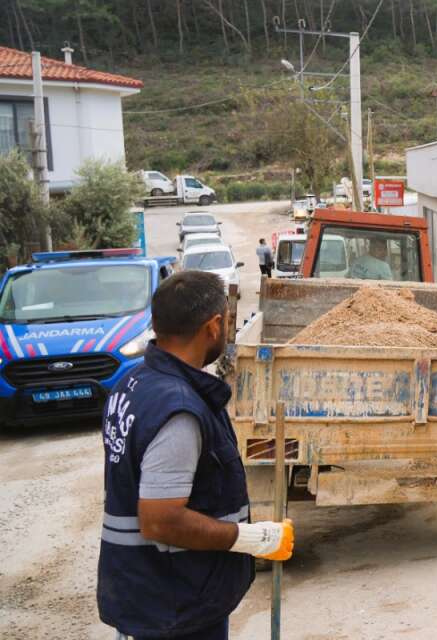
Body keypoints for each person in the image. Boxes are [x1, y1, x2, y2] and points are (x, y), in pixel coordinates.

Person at [98, 271, 295, 640]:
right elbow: (160, 520)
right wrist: (248, 538)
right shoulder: (179, 411)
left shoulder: (131, 386)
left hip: (149, 595)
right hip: (175, 604)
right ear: (213, 326)